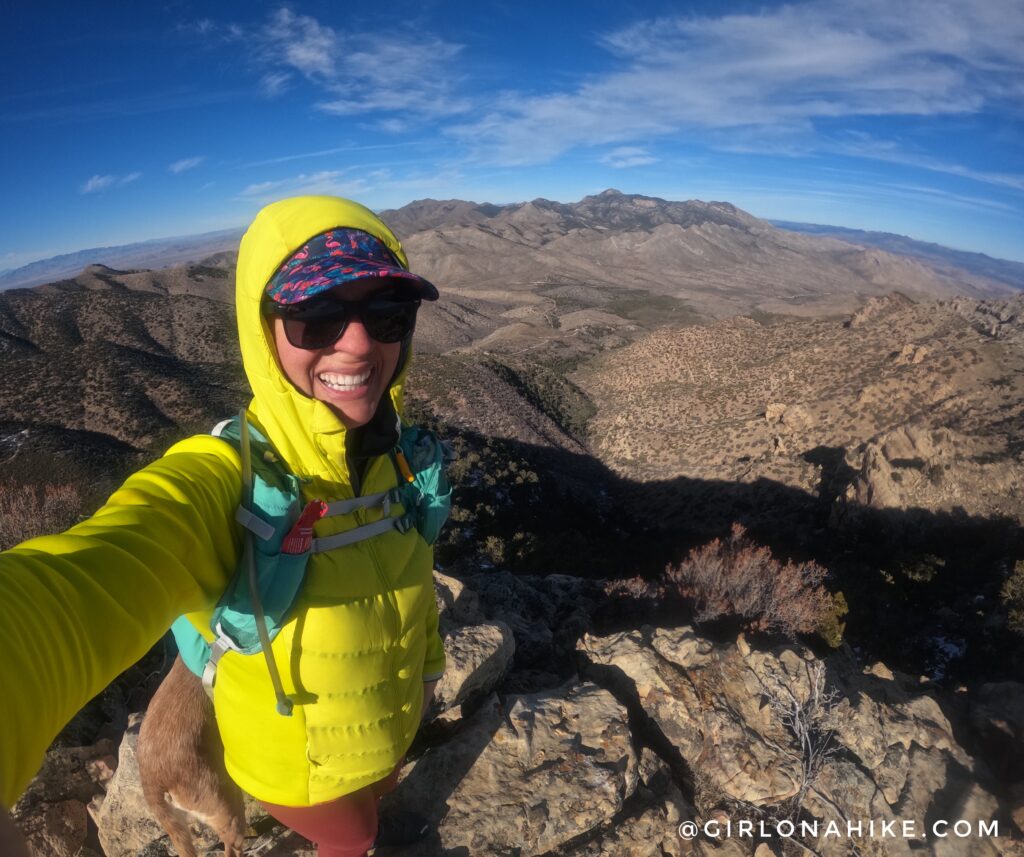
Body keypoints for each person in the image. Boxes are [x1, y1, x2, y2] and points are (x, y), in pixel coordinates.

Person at [0, 195, 447, 857]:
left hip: (387, 725)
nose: (358, 341)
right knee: (356, 838)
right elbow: (80, 583)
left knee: (375, 795)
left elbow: (411, 583)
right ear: (261, 331)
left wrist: (429, 671)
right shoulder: (230, 484)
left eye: (387, 312)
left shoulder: (403, 455)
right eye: (315, 316)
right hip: (297, 763)